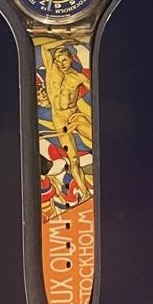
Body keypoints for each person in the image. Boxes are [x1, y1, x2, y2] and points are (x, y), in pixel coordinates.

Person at [39, 40, 93, 200]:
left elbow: (97, 94)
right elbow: (44, 47)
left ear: (70, 59)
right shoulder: (51, 70)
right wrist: (67, 40)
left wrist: (78, 121)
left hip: (74, 115)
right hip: (59, 120)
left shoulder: (78, 77)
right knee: (73, 159)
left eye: (64, 60)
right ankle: (85, 193)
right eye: (57, 60)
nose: (61, 64)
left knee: (96, 139)